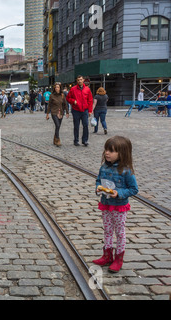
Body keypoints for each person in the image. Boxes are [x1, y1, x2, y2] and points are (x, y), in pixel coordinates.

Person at [93, 136, 138, 273]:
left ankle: (118, 258)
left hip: (119, 207)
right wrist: (98, 187)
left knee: (119, 232)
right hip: (106, 204)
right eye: (106, 150)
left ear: (121, 153)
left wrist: (119, 193)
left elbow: (133, 189)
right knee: (107, 230)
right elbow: (98, 180)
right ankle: (107, 255)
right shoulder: (104, 168)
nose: (107, 153)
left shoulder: (126, 171)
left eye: (111, 151)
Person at [66, 75, 93, 146]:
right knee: (76, 126)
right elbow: (68, 98)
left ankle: (85, 140)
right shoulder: (73, 89)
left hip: (85, 110)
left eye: (81, 79)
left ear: (83, 80)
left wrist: (90, 110)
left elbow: (90, 100)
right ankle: (76, 140)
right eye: (78, 80)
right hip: (76, 110)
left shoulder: (87, 89)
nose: (79, 81)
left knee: (85, 125)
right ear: (77, 81)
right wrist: (73, 101)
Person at [46, 82, 69, 147]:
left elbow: (65, 104)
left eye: (58, 87)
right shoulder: (51, 95)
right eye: (56, 87)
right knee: (57, 125)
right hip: (54, 112)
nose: (57, 88)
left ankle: (55, 138)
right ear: (54, 88)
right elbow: (49, 105)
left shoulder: (62, 95)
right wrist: (47, 114)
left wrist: (67, 112)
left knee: (58, 127)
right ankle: (58, 139)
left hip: (61, 112)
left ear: (60, 88)